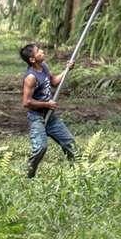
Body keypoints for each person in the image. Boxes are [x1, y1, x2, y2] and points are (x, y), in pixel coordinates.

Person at [19, 41, 75, 177]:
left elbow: (54, 81)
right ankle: (28, 175)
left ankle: (78, 172)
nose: (42, 52)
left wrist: (67, 69)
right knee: (40, 148)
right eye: (38, 51)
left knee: (69, 143)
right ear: (32, 59)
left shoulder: (44, 66)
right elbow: (26, 102)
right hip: (37, 118)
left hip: (51, 117)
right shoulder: (31, 78)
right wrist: (46, 104)